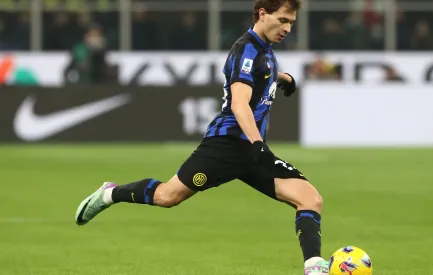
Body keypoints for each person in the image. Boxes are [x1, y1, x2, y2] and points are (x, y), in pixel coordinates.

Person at [74, 1, 329, 274]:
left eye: (291, 22)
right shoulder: (246, 49)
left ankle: (314, 267)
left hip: (252, 152)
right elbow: (239, 105)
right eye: (283, 20)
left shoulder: (264, 49)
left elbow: (261, 71)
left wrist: (284, 78)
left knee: (310, 199)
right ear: (263, 14)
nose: (288, 28)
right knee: (167, 196)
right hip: (226, 145)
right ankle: (110, 194)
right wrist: (258, 145)